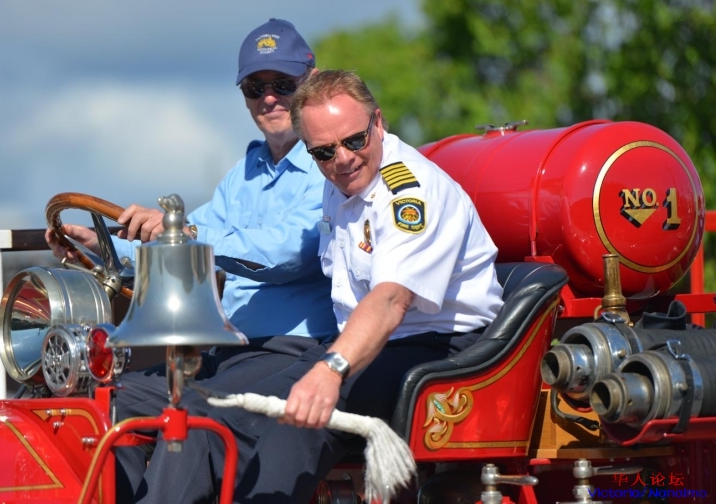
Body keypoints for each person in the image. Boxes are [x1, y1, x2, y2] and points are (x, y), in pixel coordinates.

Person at [146, 69, 506, 504]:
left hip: (439, 348)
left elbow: (391, 299)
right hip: (365, 344)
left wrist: (330, 371)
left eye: (355, 140)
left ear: (378, 122)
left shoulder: (410, 192)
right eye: (323, 151)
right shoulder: (338, 183)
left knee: (296, 423)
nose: (343, 158)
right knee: (207, 411)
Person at [44, 19, 338, 503]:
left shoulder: (330, 161)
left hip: (293, 352)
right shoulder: (243, 174)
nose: (269, 98)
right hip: (227, 352)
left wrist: (186, 233)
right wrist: (100, 245)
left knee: (194, 418)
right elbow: (180, 245)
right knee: (103, 404)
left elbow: (288, 253)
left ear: (312, 82)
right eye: (255, 87)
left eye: (283, 84)